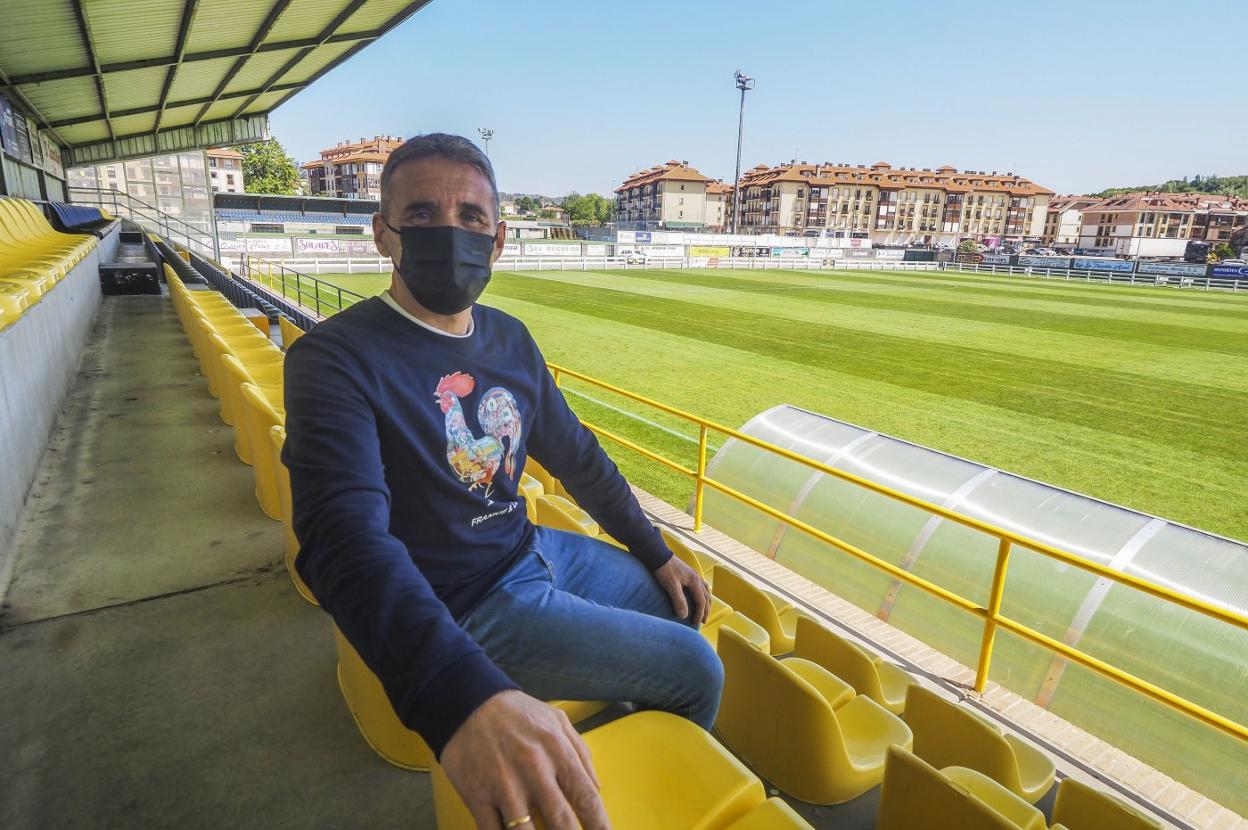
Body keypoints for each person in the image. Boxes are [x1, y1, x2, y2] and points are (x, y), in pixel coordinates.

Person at [282, 133, 723, 830]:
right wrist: (459, 695)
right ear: (382, 234)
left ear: (499, 239)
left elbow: (578, 456)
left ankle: (609, 758)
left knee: (677, 608)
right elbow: (341, 538)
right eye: (422, 216)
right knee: (699, 669)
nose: (449, 234)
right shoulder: (334, 359)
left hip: (532, 550)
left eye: (472, 218)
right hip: (465, 602)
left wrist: (657, 549)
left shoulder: (510, 338)